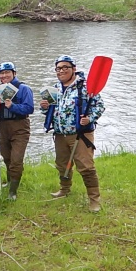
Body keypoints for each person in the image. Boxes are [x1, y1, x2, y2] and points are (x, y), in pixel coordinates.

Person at [40, 55, 105, 212]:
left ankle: (94, 200)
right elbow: (48, 112)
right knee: (62, 165)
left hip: (80, 134)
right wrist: (44, 107)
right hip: (60, 134)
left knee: (86, 167)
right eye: (58, 68)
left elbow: (100, 106)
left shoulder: (85, 87)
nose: (61, 71)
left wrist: (89, 118)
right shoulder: (54, 89)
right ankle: (64, 189)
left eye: (65, 68)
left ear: (73, 69)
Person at [0, 62, 34, 200]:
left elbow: (29, 108)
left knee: (16, 159)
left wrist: (12, 106)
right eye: (2, 73)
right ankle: (10, 181)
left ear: (14, 73)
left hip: (20, 126)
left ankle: (13, 192)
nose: (4, 75)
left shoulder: (24, 89)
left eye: (7, 72)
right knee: (7, 157)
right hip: (4, 126)